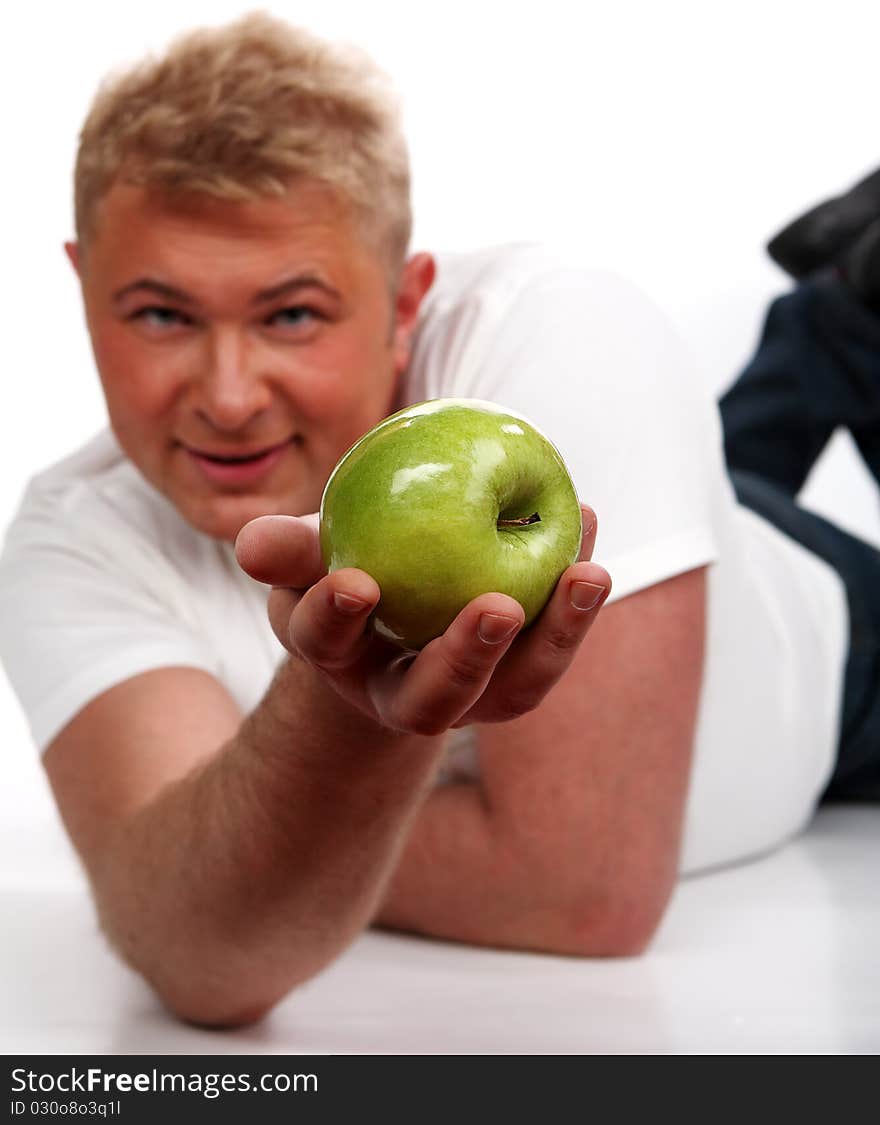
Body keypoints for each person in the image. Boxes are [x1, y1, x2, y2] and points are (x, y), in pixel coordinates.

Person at [0, 13, 874, 1028]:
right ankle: (832, 322)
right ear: (81, 287)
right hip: (673, 517)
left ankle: (840, 318)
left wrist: (208, 839)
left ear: (407, 303)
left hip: (819, 651)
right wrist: (336, 722)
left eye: (291, 315)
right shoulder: (67, 541)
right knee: (717, 467)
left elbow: (584, 890)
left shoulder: (553, 330)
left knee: (737, 497)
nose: (228, 398)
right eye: (160, 315)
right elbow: (200, 961)